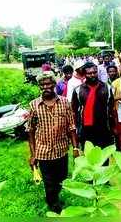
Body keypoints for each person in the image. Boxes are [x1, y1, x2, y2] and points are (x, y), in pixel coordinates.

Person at [26, 72, 79, 213]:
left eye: (48, 83)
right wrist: (33, 154)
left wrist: (75, 148)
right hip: (43, 152)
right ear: (39, 87)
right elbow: (30, 131)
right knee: (49, 182)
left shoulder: (65, 103)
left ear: (54, 84)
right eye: (42, 85)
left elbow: (71, 126)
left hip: (61, 150)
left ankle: (54, 196)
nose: (45, 87)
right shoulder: (34, 105)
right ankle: (54, 206)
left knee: (61, 178)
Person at [71, 62, 115, 150]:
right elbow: (74, 110)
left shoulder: (107, 88)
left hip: (103, 128)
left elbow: (111, 108)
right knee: (88, 155)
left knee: (104, 157)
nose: (92, 75)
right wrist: (76, 130)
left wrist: (112, 128)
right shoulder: (78, 90)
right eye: (89, 73)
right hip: (86, 129)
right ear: (85, 74)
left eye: (94, 72)